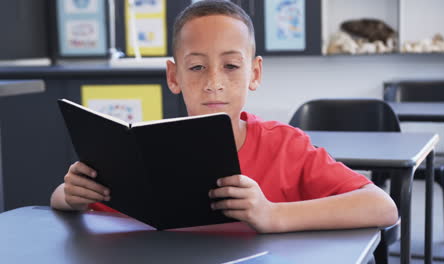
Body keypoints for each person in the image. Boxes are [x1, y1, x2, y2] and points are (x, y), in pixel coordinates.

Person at [51, 0, 398, 233]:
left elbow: (381, 206)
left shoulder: (284, 146)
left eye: (231, 66)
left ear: (255, 73)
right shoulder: (141, 150)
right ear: (174, 77)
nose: (213, 83)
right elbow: (62, 200)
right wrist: (69, 194)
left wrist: (273, 214)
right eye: (197, 67)